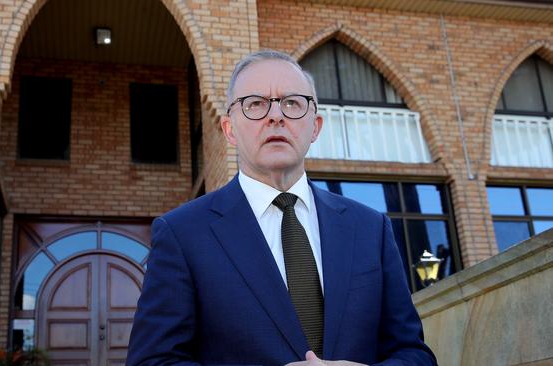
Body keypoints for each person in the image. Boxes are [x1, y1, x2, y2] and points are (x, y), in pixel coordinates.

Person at [126, 50, 437, 366]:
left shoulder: (371, 228)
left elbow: (414, 354)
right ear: (229, 129)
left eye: (292, 102)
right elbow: (152, 360)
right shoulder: (182, 234)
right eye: (256, 104)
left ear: (315, 126)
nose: (276, 116)